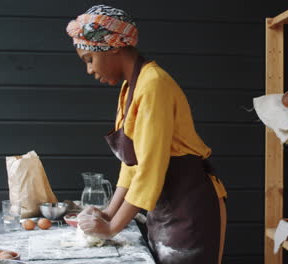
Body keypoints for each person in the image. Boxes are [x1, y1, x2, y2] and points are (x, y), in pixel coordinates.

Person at [66, 5, 227, 264]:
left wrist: (110, 228)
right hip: (164, 209)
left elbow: (151, 168)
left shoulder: (154, 84)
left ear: (114, 46)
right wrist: (109, 212)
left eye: (89, 59)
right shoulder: (131, 87)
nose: (89, 70)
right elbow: (132, 164)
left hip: (190, 210)